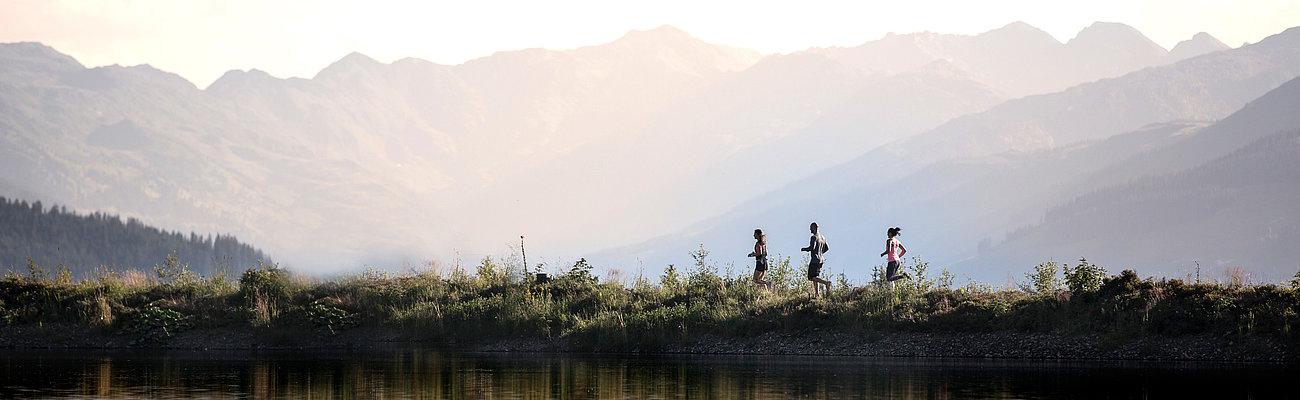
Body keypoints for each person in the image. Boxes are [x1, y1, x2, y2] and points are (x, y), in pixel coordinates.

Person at [800, 222, 832, 297]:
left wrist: (804, 249)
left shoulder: (814, 237)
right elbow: (827, 248)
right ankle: (817, 294)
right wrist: (820, 252)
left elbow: (812, 247)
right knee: (815, 277)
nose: (810, 230)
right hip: (821, 260)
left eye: (811, 228)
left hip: (814, 259)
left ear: (814, 228)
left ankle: (826, 283)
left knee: (811, 277)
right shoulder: (823, 238)